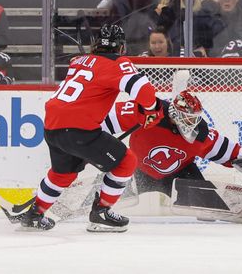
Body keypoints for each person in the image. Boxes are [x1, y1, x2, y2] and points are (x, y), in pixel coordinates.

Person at [18, 24, 163, 232]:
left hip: (52, 126)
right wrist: (152, 109)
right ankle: (101, 212)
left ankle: (34, 214)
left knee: (62, 173)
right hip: (79, 129)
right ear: (121, 48)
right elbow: (143, 89)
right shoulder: (118, 62)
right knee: (126, 162)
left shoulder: (78, 61)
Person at [101, 91, 242, 203]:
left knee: (209, 207)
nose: (193, 123)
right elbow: (105, 121)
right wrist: (85, 135)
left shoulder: (200, 134)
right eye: (188, 118)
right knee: (119, 204)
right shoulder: (150, 111)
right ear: (175, 114)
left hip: (180, 175)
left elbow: (230, 153)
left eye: (195, 118)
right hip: (137, 172)